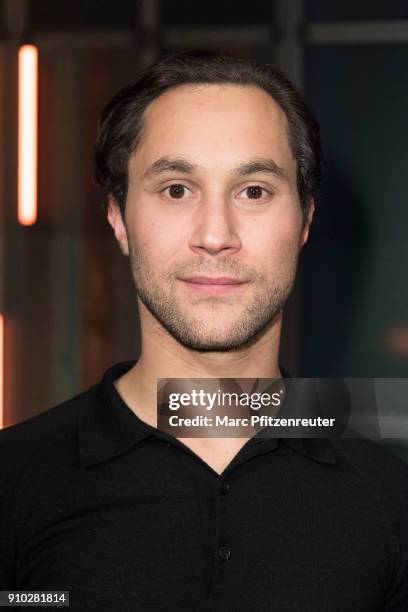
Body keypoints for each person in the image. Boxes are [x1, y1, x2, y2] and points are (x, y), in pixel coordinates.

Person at [0, 50, 407, 611]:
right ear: (118, 217)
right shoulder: (13, 482)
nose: (215, 235)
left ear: (306, 221)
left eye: (254, 191)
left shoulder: (390, 500)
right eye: (175, 189)